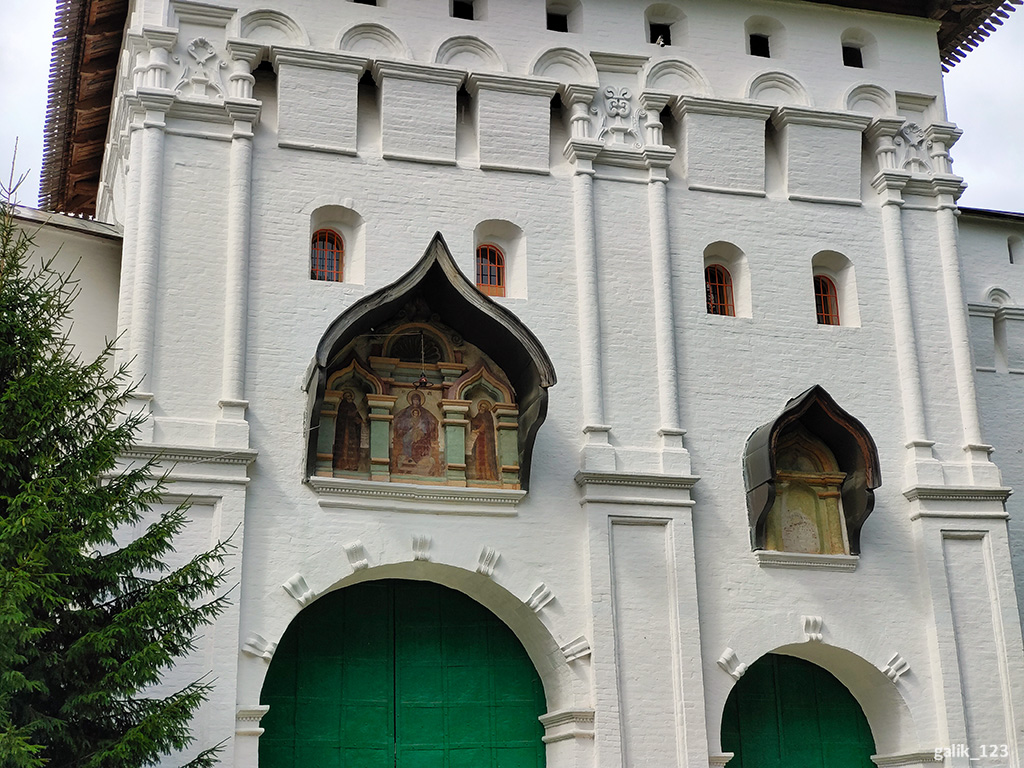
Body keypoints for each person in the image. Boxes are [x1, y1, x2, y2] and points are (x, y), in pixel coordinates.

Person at [391, 390, 441, 476]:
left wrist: (427, 429)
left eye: (417, 400)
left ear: (420, 401)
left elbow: (433, 420)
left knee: (421, 440)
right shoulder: (406, 411)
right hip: (410, 432)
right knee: (406, 439)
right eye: (414, 400)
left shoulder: (424, 412)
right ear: (411, 400)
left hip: (421, 433)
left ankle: (421, 460)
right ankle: (408, 456)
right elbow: (398, 419)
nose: (416, 402)